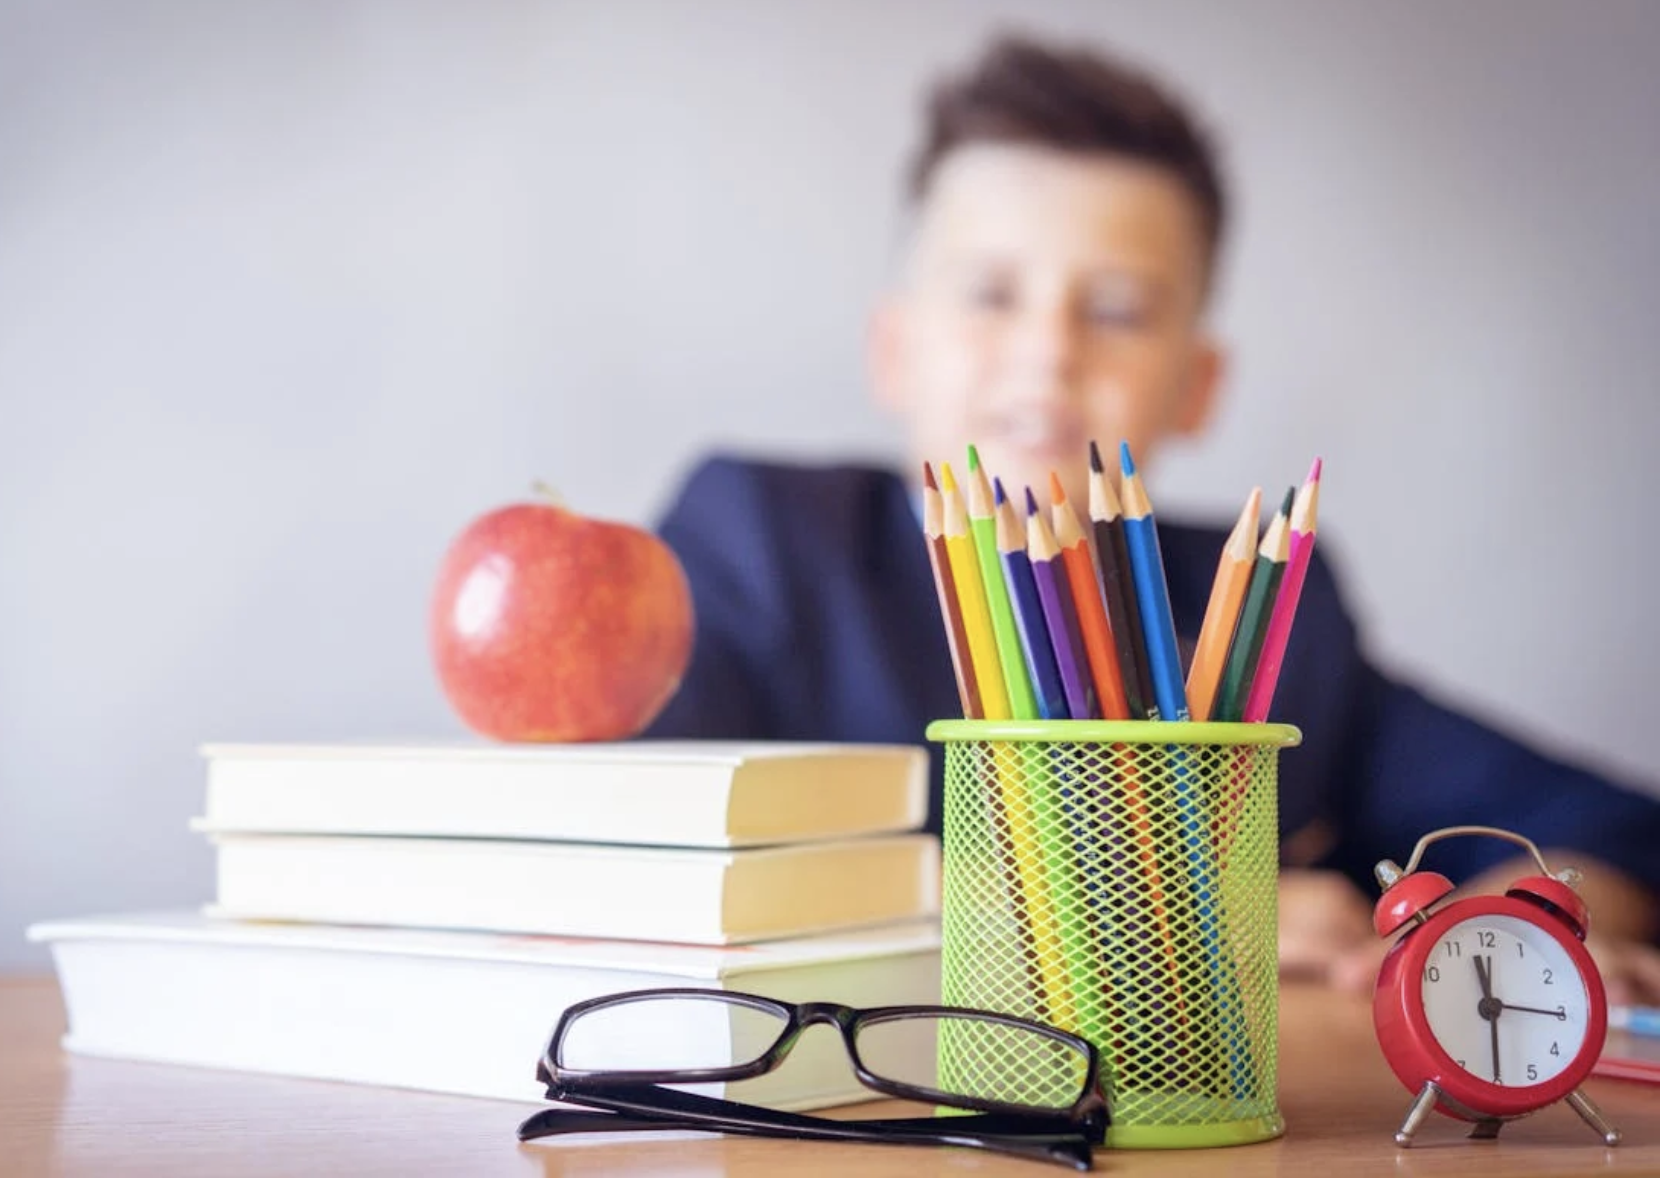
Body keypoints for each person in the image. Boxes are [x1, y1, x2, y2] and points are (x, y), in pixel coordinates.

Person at [642, 35, 1659, 1002]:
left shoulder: (1260, 605)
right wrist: (1177, 919)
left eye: (1119, 309)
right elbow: (640, 847)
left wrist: (1520, 921)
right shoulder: (762, 539)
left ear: (1197, 386)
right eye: (991, 293)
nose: (1047, 350)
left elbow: (1602, 824)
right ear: (894, 350)